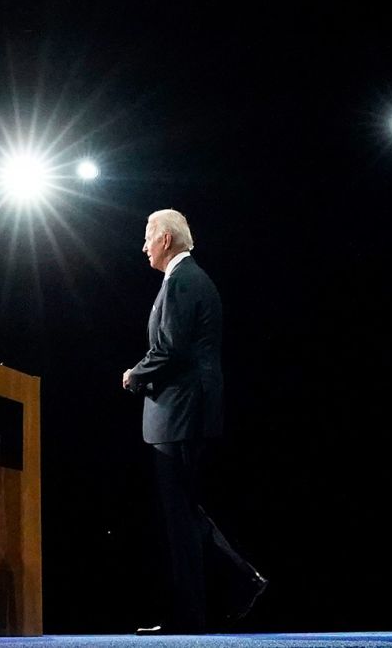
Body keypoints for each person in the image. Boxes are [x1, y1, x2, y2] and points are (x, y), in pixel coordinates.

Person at [123, 208, 265, 633]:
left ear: (166, 239)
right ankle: (234, 587)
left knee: (181, 514)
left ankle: (209, 603)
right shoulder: (184, 279)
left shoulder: (184, 280)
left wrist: (135, 375)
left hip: (181, 412)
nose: (144, 246)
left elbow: (171, 349)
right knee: (184, 512)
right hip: (181, 411)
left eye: (148, 237)